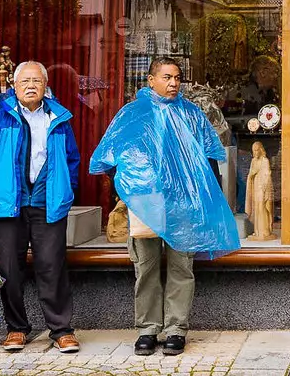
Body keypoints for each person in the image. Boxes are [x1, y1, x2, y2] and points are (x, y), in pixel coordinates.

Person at [90, 56, 237, 356]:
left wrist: (209, 199)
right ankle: (147, 328)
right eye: (167, 77)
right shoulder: (132, 114)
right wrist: (128, 189)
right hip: (146, 203)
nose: (173, 83)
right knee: (146, 267)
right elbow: (111, 156)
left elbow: (208, 160)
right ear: (151, 80)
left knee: (182, 266)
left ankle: (176, 329)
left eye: (177, 78)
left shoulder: (192, 114)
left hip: (183, 204)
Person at [0, 61, 84, 355]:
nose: (31, 86)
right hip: (10, 205)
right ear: (14, 87)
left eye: (36, 81)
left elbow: (72, 160)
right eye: (25, 81)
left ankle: (61, 330)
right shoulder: (0, 119)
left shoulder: (59, 118)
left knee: (52, 266)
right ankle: (16, 328)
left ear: (45, 86)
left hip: (48, 204)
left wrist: (66, 193)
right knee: (10, 269)